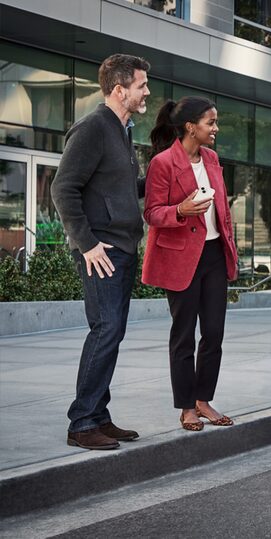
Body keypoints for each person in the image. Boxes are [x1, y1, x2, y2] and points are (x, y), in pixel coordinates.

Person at [51, 53, 151, 450]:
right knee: (105, 330)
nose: (147, 92)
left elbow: (124, 189)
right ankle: (82, 422)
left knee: (114, 332)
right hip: (102, 249)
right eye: (141, 85)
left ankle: (99, 415)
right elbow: (63, 189)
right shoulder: (93, 127)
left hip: (123, 246)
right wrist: (88, 244)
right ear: (119, 89)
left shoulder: (122, 131)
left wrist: (165, 175)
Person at [142, 97, 239, 431]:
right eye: (210, 123)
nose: (215, 128)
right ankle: (186, 407)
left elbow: (220, 207)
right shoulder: (163, 163)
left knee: (213, 333)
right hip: (180, 257)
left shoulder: (212, 158)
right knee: (183, 336)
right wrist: (180, 211)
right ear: (189, 127)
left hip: (213, 254)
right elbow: (152, 212)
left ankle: (203, 400)